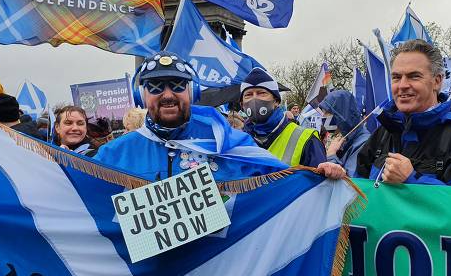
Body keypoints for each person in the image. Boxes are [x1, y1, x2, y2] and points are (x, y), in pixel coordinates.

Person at [95, 55, 344, 181]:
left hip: (220, 274)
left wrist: (319, 174)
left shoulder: (228, 142)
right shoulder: (113, 155)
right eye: (156, 87)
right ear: (141, 95)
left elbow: (282, 183)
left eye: (178, 85)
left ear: (193, 92)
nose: (168, 95)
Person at [356, 40, 451, 187]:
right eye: (396, 77)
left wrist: (413, 179)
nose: (403, 85)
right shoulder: (383, 132)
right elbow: (356, 196)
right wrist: (339, 178)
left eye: (414, 76)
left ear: (437, 81)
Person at [240, 68, 327, 168]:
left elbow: (321, 181)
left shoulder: (307, 139)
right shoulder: (236, 141)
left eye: (261, 93)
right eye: (248, 95)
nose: (255, 99)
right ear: (242, 104)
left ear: (276, 101)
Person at [319, 90, 370, 177]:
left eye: (327, 113)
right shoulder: (345, 137)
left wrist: (331, 156)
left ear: (341, 114)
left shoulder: (363, 143)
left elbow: (349, 184)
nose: (323, 117)